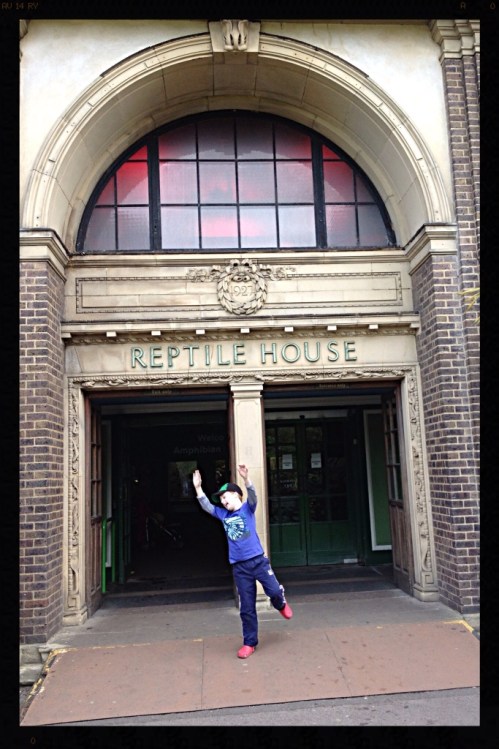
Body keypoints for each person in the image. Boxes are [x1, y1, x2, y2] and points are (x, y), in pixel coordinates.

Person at [192, 464, 293, 659]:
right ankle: (249, 643)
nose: (223, 501)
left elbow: (253, 496)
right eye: (221, 499)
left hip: (259, 561)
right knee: (247, 607)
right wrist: (198, 488)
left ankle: (280, 603)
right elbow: (207, 506)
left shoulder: (247, 509)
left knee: (273, 591)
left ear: (236, 495)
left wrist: (246, 480)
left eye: (225, 497)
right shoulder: (223, 514)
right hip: (240, 567)